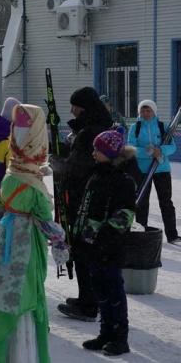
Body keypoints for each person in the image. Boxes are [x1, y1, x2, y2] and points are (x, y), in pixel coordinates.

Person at [0, 104, 68, 363]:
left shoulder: (10, 175)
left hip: (4, 243)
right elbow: (45, 222)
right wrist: (60, 243)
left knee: (1, 291)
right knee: (24, 294)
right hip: (25, 245)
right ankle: (21, 352)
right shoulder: (33, 184)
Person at [75, 130, 136, 356]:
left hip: (111, 246)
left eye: (97, 150)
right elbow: (86, 208)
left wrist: (105, 236)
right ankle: (105, 332)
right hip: (91, 244)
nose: (93, 153)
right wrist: (80, 236)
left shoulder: (123, 180)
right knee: (99, 288)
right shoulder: (96, 176)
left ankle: (120, 337)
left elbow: (125, 215)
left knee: (113, 290)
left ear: (110, 154)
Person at [58, 87, 112, 322]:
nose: (72, 111)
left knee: (82, 250)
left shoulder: (90, 132)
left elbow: (78, 167)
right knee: (85, 250)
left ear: (85, 108)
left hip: (85, 200)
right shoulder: (95, 127)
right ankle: (87, 297)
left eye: (75, 107)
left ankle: (89, 304)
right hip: (90, 197)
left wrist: (61, 167)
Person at [127, 99, 180, 244]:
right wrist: (149, 152)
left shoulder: (162, 126)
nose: (145, 113)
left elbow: (172, 147)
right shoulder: (135, 127)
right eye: (143, 110)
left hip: (162, 169)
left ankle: (172, 235)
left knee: (166, 202)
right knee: (142, 202)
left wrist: (160, 150)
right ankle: (141, 233)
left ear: (154, 111)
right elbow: (131, 148)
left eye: (148, 110)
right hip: (142, 171)